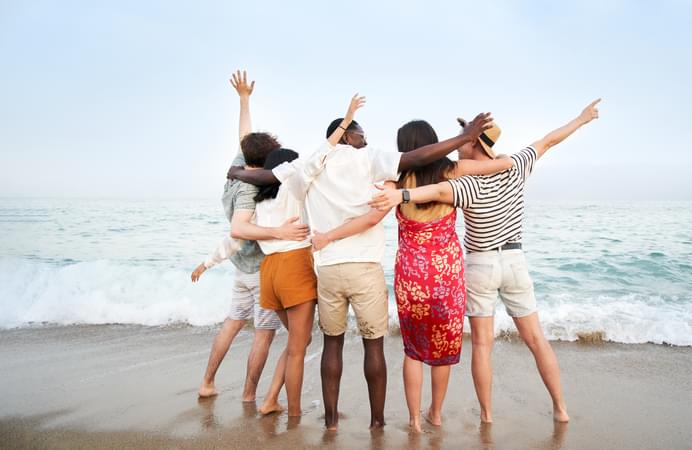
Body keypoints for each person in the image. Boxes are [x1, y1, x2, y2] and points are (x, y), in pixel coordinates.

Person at [231, 107, 494, 431]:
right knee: (378, 346)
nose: (365, 139)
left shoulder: (316, 166)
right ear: (346, 134)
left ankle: (329, 422)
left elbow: (269, 177)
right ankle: (381, 422)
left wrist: (238, 174)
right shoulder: (377, 166)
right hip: (387, 270)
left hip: (335, 269)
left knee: (333, 344)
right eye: (360, 133)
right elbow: (431, 164)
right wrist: (468, 140)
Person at [370, 99, 602, 424]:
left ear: (475, 143)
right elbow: (549, 140)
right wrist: (582, 119)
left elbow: (434, 191)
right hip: (515, 261)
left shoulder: (464, 183)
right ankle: (561, 409)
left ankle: (487, 415)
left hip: (480, 265)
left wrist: (402, 194)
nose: (459, 143)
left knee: (482, 344)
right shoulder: (516, 164)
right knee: (536, 340)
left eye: (465, 139)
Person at [313, 119, 512, 432]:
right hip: (447, 273)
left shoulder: (396, 179)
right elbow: (498, 167)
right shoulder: (451, 172)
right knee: (443, 350)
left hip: (411, 274)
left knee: (414, 350)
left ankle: (415, 420)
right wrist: (485, 147)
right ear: (433, 142)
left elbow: (371, 215)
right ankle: (436, 413)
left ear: (404, 147)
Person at [229, 94, 366, 418]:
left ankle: (270, 399)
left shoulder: (260, 197)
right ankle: (292, 415)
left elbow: (246, 149)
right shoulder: (295, 180)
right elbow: (324, 151)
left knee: (296, 344)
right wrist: (346, 120)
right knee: (296, 349)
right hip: (294, 266)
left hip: (269, 272)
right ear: (288, 166)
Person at [190, 70, 308, 403]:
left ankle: (208, 382)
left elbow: (244, 138)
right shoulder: (251, 185)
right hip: (259, 268)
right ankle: (249, 395)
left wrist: (244, 100)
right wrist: (280, 231)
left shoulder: (239, 167)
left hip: (240, 266)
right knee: (264, 333)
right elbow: (239, 230)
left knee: (232, 322)